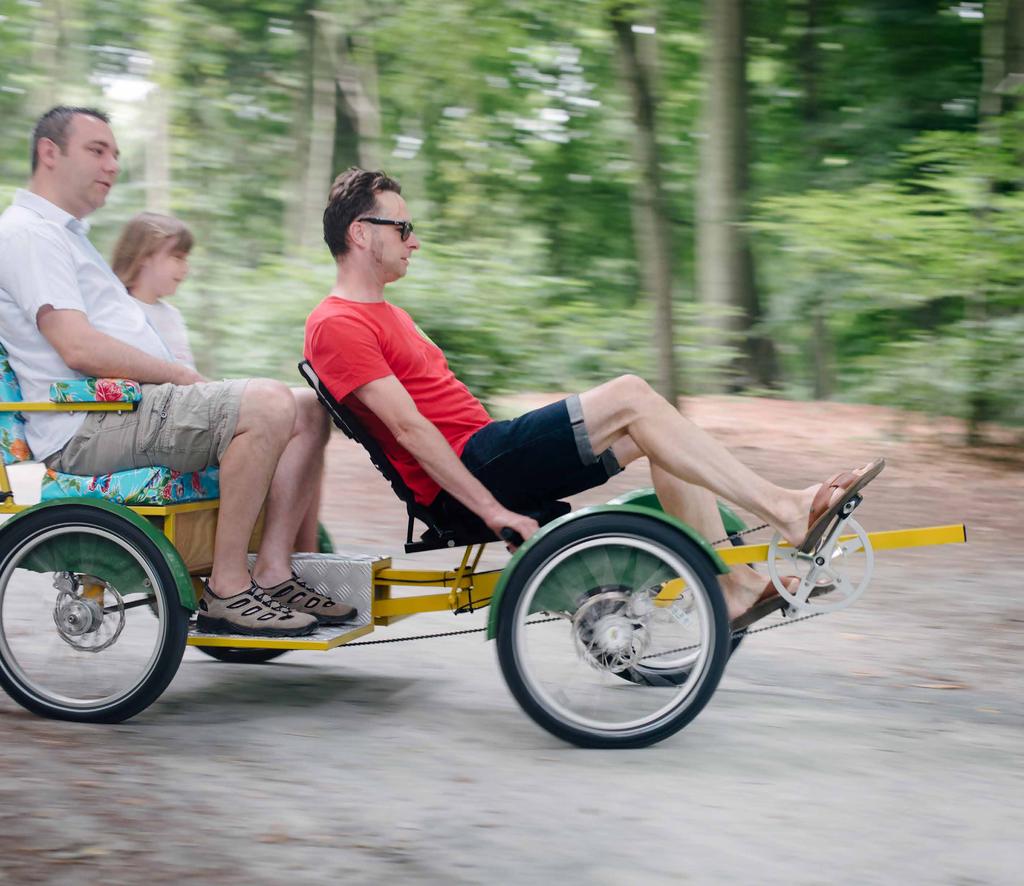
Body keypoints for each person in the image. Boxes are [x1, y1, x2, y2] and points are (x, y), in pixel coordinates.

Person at [304, 167, 885, 629]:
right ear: (361, 232)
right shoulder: (337, 324)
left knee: (652, 431)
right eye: (403, 228)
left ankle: (731, 589)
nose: (416, 240)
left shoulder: (388, 313)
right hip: (472, 468)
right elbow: (410, 433)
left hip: (486, 451)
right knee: (631, 394)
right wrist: (492, 511)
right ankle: (785, 508)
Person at [0, 105, 352, 636]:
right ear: (49, 153)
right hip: (86, 424)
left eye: (116, 153)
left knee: (306, 407)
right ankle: (229, 588)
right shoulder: (29, 233)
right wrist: (178, 375)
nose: (113, 164)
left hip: (124, 409)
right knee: (270, 403)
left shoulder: (68, 235)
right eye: (97, 151)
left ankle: (276, 570)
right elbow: (75, 346)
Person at [111, 210, 324, 552]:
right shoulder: (118, 311)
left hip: (186, 408)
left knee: (308, 408)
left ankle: (304, 552)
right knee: (280, 413)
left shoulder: (171, 316)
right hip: (154, 423)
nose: (185, 268)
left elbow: (188, 377)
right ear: (144, 256)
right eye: (177, 257)